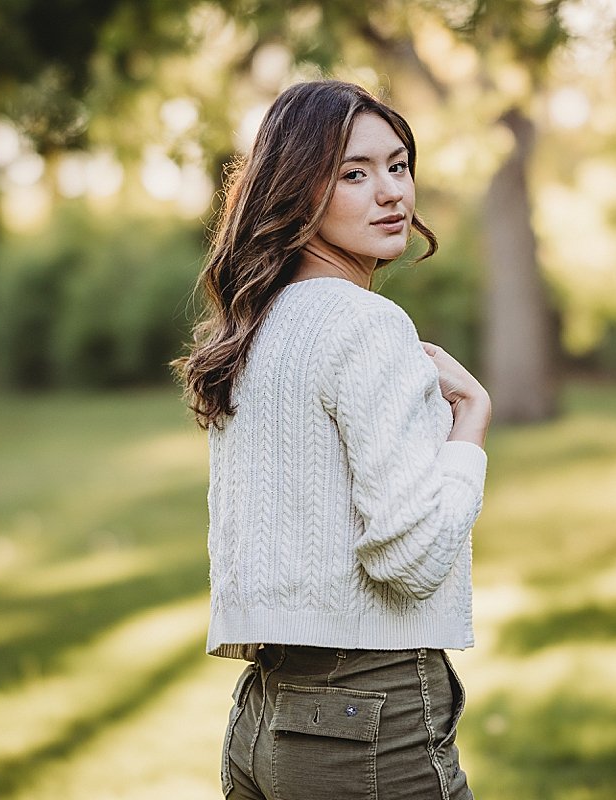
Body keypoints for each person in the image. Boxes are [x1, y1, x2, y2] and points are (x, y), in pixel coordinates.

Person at [173, 79, 492, 800]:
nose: (390, 193)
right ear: (297, 188)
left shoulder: (255, 329)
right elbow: (409, 557)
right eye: (354, 173)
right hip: (367, 716)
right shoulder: (366, 324)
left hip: (265, 718)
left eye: (398, 165)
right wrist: (468, 432)